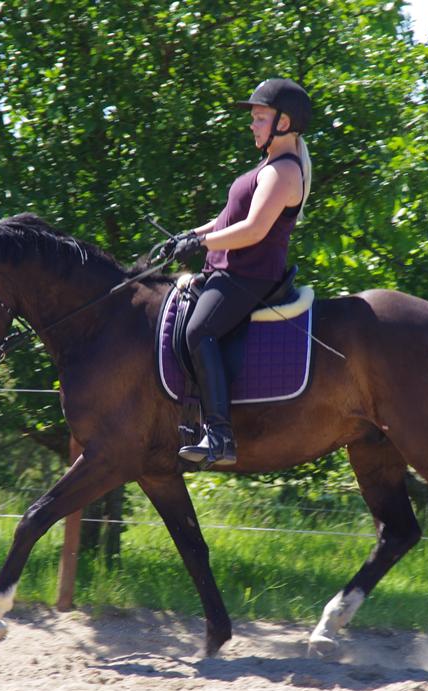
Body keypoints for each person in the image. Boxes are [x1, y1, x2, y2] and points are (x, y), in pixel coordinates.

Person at [165, 77, 313, 466]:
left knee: (200, 330)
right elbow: (226, 219)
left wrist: (199, 246)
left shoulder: (283, 173)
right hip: (227, 270)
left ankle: (219, 436)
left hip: (249, 276)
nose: (252, 125)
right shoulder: (266, 166)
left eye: (260, 118)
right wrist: (190, 235)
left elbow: (253, 230)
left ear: (284, 123)